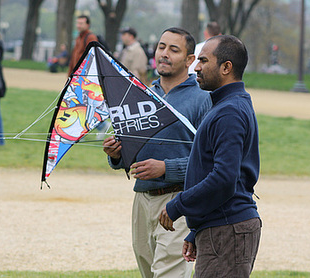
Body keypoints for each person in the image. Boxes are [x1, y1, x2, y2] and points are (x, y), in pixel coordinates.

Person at [103, 27, 212, 278]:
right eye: (161, 47)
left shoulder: (203, 98)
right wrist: (117, 155)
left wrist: (165, 168)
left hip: (179, 201)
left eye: (174, 50)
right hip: (142, 200)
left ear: (189, 60)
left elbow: (210, 161)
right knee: (149, 273)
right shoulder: (142, 95)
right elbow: (130, 154)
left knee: (168, 274)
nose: (164, 54)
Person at [159, 35, 262, 278]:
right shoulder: (225, 106)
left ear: (226, 67)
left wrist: (179, 205)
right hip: (219, 227)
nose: (196, 68)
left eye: (204, 61)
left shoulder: (230, 112)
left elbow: (225, 178)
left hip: (228, 229)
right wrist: (198, 228)